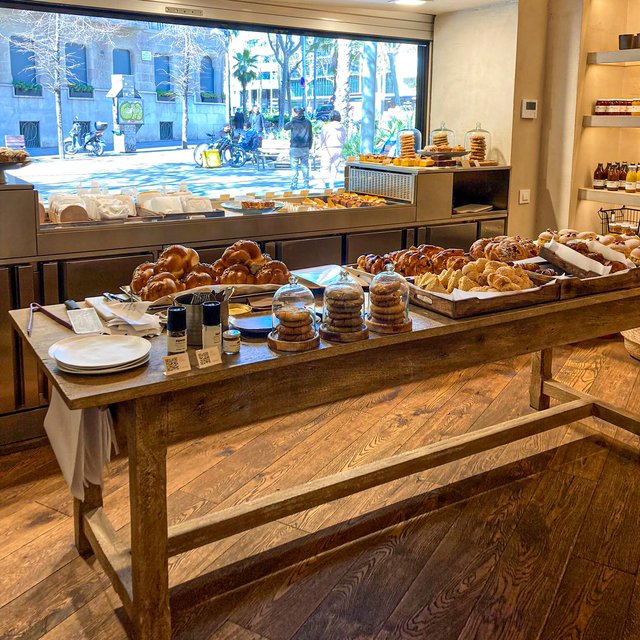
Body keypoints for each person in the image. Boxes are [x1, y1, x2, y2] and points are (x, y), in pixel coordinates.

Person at [284, 106, 313, 190]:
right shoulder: (308, 122)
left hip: (295, 147)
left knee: (294, 167)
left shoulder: (293, 122)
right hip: (305, 147)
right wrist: (309, 146)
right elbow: (311, 135)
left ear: (296, 113)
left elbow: (285, 127)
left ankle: (294, 184)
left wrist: (292, 118)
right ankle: (306, 184)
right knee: (305, 166)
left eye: (293, 112)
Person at [319, 110, 346, 189]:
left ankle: (324, 184)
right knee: (335, 167)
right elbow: (344, 138)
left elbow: (322, 139)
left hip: (327, 149)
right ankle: (332, 184)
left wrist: (321, 147)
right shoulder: (342, 127)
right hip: (338, 149)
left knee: (325, 167)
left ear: (330, 117)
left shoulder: (326, 127)